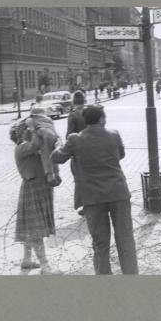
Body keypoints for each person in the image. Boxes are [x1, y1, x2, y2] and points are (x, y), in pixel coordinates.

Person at [52, 105, 139, 275]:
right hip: (118, 193)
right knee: (126, 239)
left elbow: (57, 157)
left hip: (93, 198)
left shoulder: (75, 139)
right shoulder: (114, 135)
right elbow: (120, 155)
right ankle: (131, 276)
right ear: (101, 119)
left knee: (100, 242)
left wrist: (58, 145)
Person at [9, 118, 61, 275]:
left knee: (31, 227)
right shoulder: (22, 147)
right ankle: (45, 265)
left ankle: (27, 259)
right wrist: (37, 128)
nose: (30, 132)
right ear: (21, 134)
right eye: (27, 130)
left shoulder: (27, 147)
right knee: (36, 229)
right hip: (33, 189)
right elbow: (37, 143)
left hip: (37, 189)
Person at [66, 91, 88, 215]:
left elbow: (69, 134)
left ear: (74, 102)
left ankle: (85, 205)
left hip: (78, 152)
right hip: (91, 148)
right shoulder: (89, 112)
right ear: (84, 101)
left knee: (80, 179)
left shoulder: (73, 115)